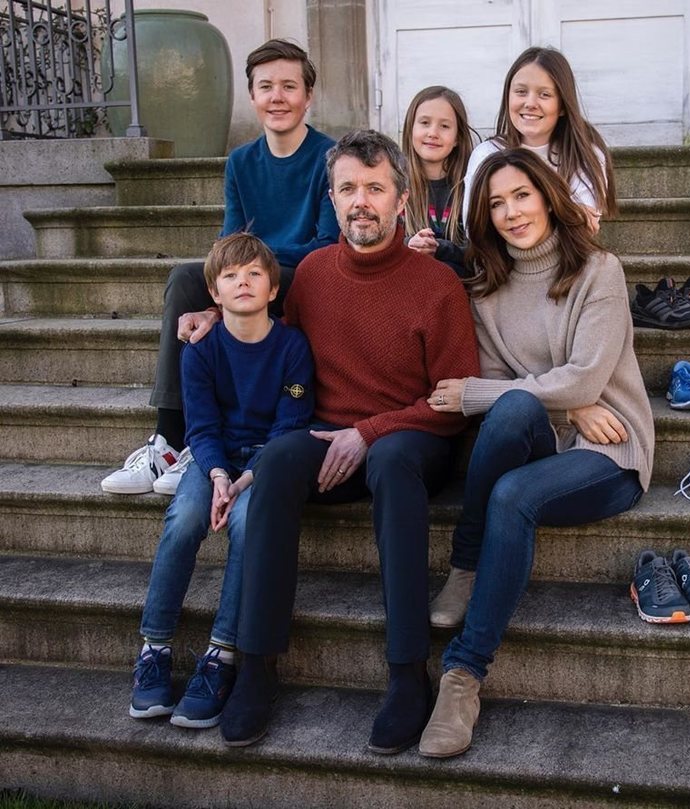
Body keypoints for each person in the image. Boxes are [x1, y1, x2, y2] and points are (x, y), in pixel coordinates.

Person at [218, 130, 481, 750]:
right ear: (332, 199)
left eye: (374, 188)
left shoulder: (435, 284)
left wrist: (368, 432)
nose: (360, 201)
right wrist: (217, 317)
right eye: (347, 190)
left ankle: (406, 672)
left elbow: (454, 400)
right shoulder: (310, 274)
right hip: (328, 442)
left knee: (389, 459)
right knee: (280, 459)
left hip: (413, 439)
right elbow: (275, 355)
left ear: (401, 198)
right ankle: (256, 665)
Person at [418, 148, 654, 758]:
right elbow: (531, 393)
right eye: (496, 203)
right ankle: (467, 568)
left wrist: (474, 393)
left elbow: (582, 377)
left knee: (512, 491)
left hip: (611, 450)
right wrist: (567, 403)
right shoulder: (487, 289)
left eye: (521, 195)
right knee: (514, 409)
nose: (511, 212)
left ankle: (464, 675)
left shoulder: (599, 271)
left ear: (548, 196)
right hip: (551, 431)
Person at [100, 39, 339, 496]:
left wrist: (249, 270)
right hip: (258, 274)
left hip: (305, 278)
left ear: (308, 96)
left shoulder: (327, 157)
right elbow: (226, 247)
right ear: (252, 97)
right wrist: (222, 294)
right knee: (188, 277)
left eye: (289, 86)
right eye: (265, 87)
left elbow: (323, 246)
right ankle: (169, 442)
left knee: (242, 273)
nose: (277, 97)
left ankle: (179, 442)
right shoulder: (241, 161)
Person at [128, 232, 314, 729]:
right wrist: (215, 477)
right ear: (214, 293)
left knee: (250, 526)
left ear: (274, 289)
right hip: (213, 459)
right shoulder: (201, 350)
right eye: (231, 276)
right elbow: (202, 427)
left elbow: (290, 425)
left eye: (255, 274)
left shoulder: (292, 346)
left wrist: (245, 481)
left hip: (265, 464)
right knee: (185, 517)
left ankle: (220, 655)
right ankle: (155, 646)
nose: (244, 283)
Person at [461, 46, 617, 235]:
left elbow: (582, 230)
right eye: (521, 91)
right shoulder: (487, 154)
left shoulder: (585, 154)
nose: (530, 103)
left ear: (562, 105)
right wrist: (562, 213)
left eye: (544, 94)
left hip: (567, 262)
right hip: (499, 262)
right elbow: (475, 229)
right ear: (507, 97)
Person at [401, 85, 477, 279]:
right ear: (410, 130)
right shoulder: (395, 185)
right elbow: (381, 244)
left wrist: (440, 248)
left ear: (458, 137)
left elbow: (480, 254)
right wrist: (410, 243)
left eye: (444, 126)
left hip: (461, 292)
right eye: (425, 123)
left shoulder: (470, 186)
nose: (433, 133)